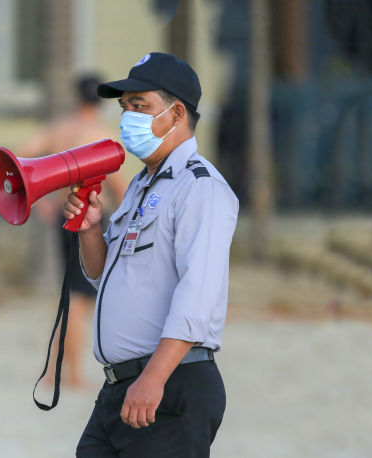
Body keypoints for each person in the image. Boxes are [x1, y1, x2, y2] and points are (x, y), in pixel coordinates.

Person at [63, 53, 239, 457]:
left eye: (140, 106)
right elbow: (103, 277)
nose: (128, 118)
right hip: (121, 389)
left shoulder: (200, 188)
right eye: (125, 108)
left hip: (167, 386)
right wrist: (91, 230)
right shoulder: (144, 184)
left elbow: (199, 295)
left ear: (176, 113)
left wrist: (153, 380)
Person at [16, 75, 126, 388]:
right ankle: (70, 373)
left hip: (62, 217)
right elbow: (121, 187)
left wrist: (42, 201)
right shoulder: (100, 134)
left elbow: (20, 157)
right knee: (79, 298)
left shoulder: (59, 128)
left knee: (69, 295)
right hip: (89, 220)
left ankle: (54, 369)